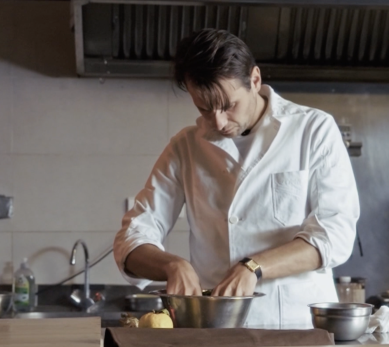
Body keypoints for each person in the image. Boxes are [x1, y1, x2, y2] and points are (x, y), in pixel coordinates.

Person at [113, 28, 360, 327]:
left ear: (255, 80)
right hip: (214, 330)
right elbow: (131, 239)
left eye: (228, 106)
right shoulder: (185, 147)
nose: (217, 122)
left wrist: (254, 267)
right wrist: (172, 265)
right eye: (204, 108)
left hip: (294, 327)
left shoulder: (313, 130)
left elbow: (334, 234)